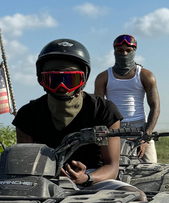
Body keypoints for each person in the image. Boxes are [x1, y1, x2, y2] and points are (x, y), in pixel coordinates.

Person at [13, 38, 123, 190]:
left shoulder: (104, 109)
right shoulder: (27, 114)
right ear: (41, 79)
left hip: (94, 179)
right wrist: (51, 175)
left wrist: (87, 178)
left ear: (83, 79)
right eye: (53, 79)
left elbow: (112, 167)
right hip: (44, 182)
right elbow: (26, 167)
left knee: (136, 196)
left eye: (70, 79)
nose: (62, 87)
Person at [94, 34, 160, 163]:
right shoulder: (103, 77)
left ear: (134, 51)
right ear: (114, 51)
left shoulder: (146, 75)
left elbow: (155, 107)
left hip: (140, 127)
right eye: (120, 50)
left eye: (128, 50)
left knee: (151, 168)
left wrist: (146, 137)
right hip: (113, 128)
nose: (124, 54)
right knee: (111, 168)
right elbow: (98, 109)